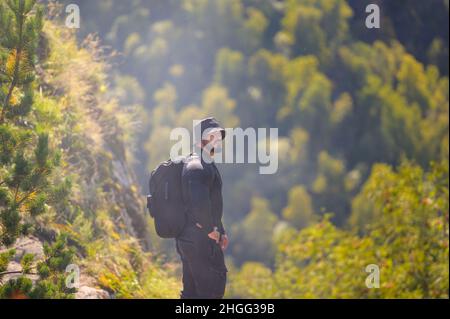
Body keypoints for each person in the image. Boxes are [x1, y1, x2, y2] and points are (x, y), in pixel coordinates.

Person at [175, 117, 229, 299]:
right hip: (199, 240)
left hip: (191, 237)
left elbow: (212, 202)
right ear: (199, 140)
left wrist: (221, 230)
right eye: (211, 136)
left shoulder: (202, 163)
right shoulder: (197, 166)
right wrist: (210, 229)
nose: (217, 140)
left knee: (191, 294)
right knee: (211, 292)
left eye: (219, 136)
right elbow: (198, 202)